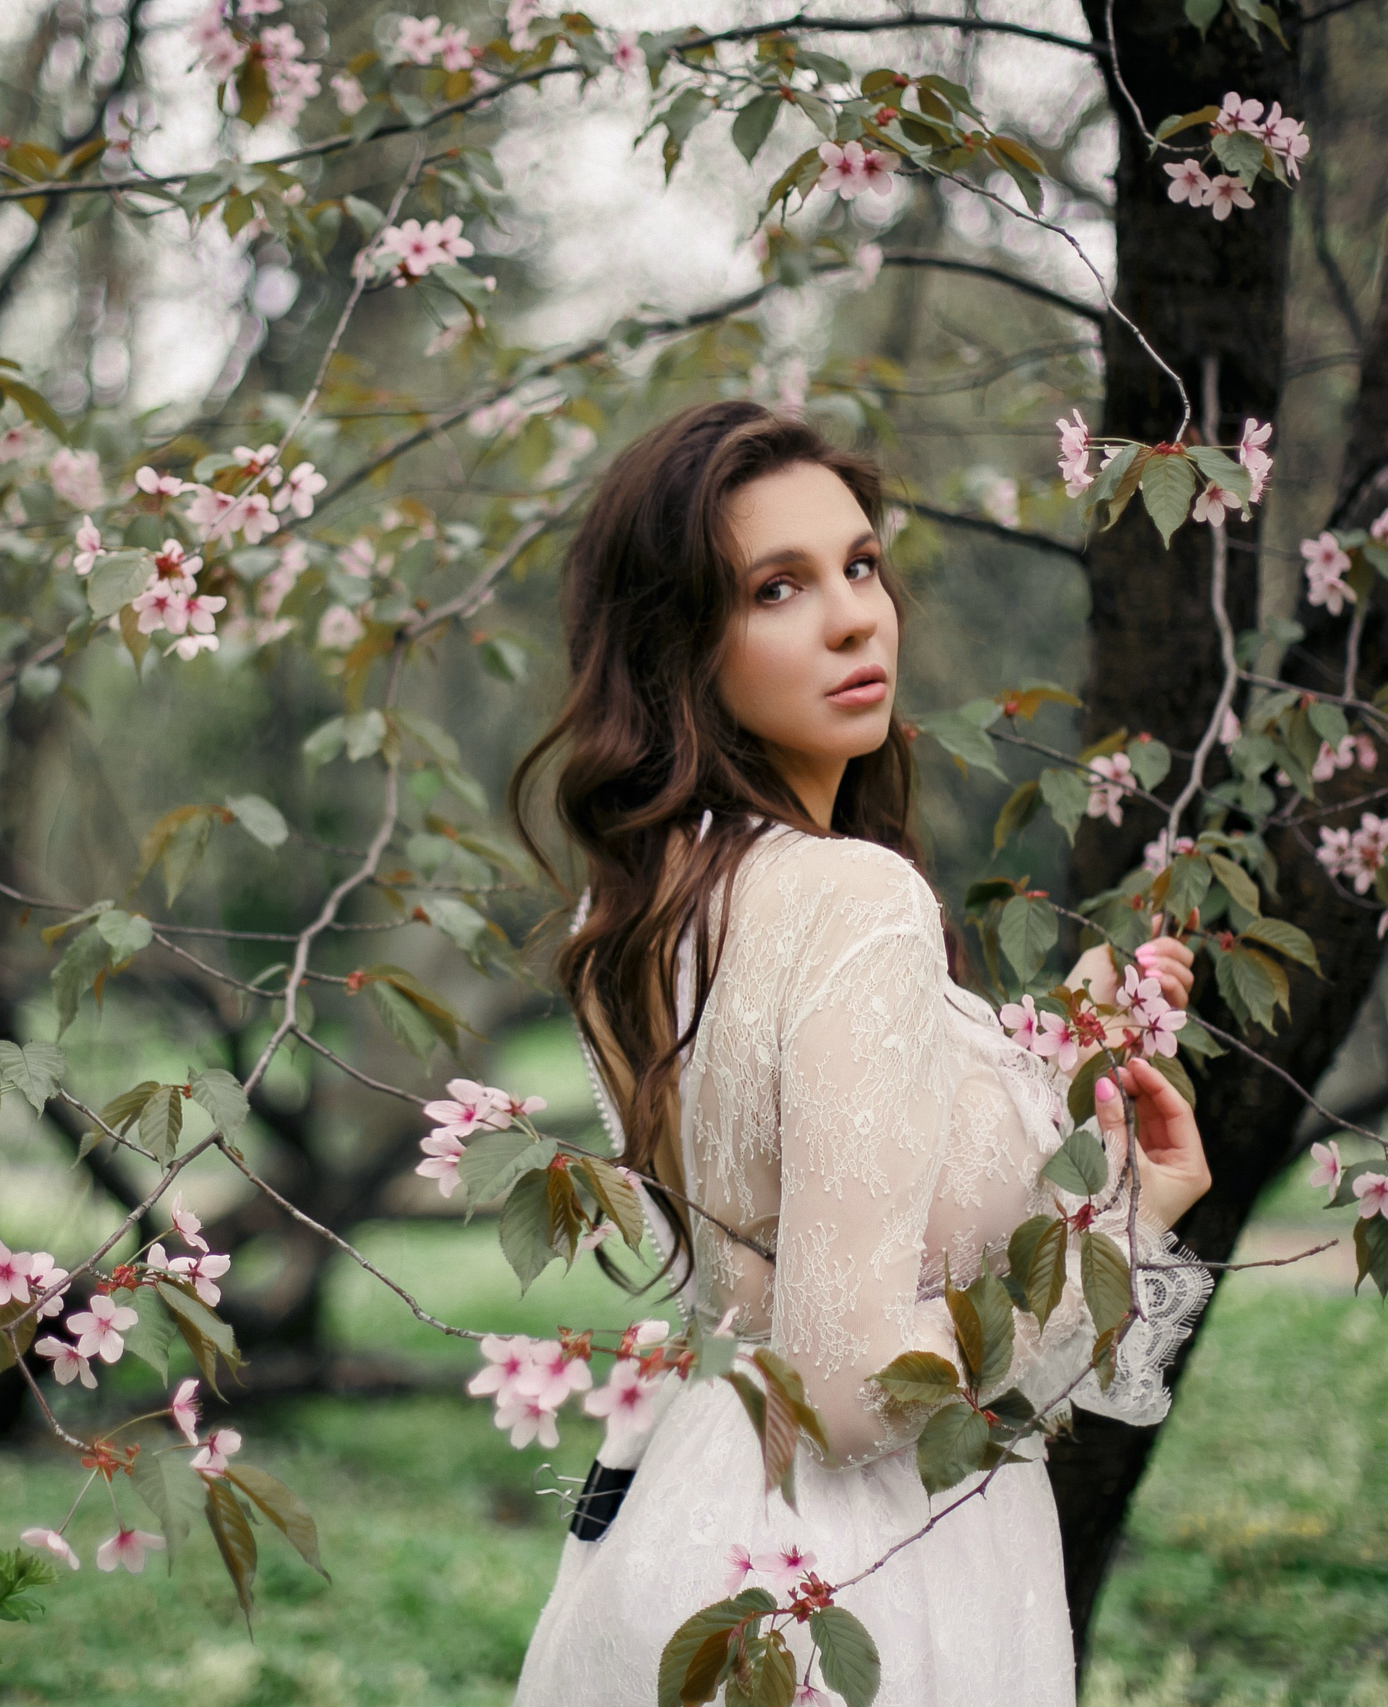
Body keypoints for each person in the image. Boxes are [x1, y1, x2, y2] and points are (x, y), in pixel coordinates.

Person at [503, 400, 1214, 1704]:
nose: (853, 618)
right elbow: (847, 1378)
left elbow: (782, 1219)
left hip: (695, 1519)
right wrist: (1125, 1225)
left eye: (861, 566)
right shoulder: (854, 900)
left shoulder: (639, 914)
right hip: (865, 1575)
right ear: (680, 649)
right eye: (779, 588)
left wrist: (1047, 1065)